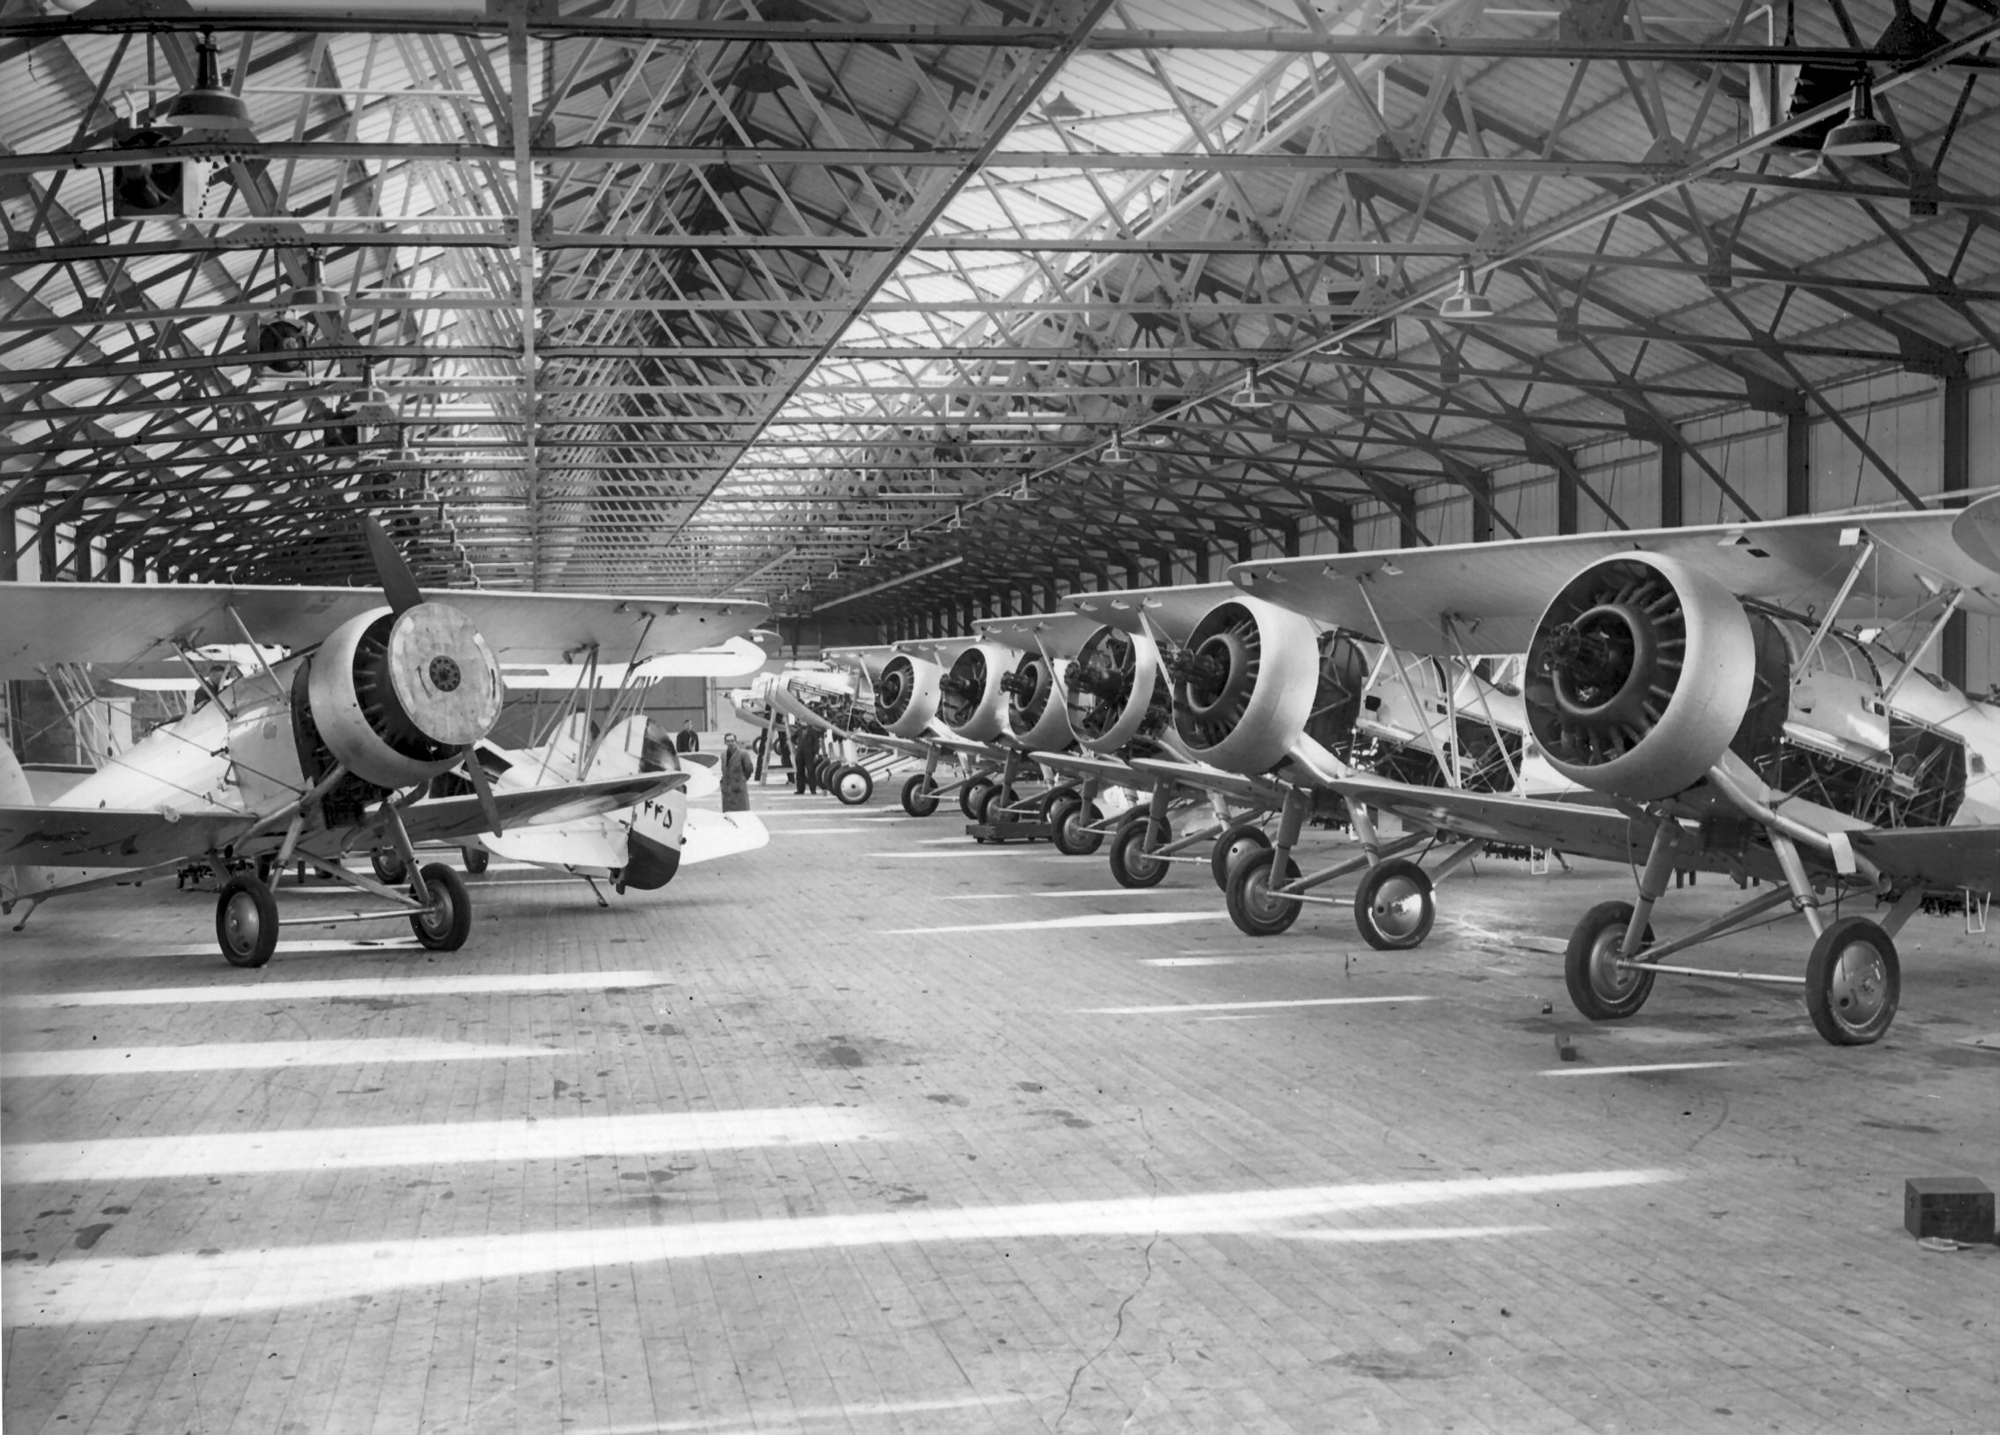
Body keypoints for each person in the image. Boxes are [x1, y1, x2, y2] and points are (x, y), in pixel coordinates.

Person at [719, 732, 756, 812]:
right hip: (727, 790)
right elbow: (724, 770)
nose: (730, 743)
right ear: (725, 742)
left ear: (736, 741)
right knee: (728, 814)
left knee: (741, 813)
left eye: (732, 741)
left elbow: (749, 769)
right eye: (728, 741)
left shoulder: (743, 754)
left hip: (738, 789)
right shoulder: (723, 755)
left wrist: (741, 779)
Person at [793, 723, 822, 795]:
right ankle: (800, 789)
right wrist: (797, 743)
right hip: (800, 752)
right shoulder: (799, 730)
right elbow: (792, 738)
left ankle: (813, 789)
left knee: (810, 771)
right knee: (799, 771)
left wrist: (815, 751)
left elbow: (816, 741)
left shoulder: (813, 731)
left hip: (809, 753)